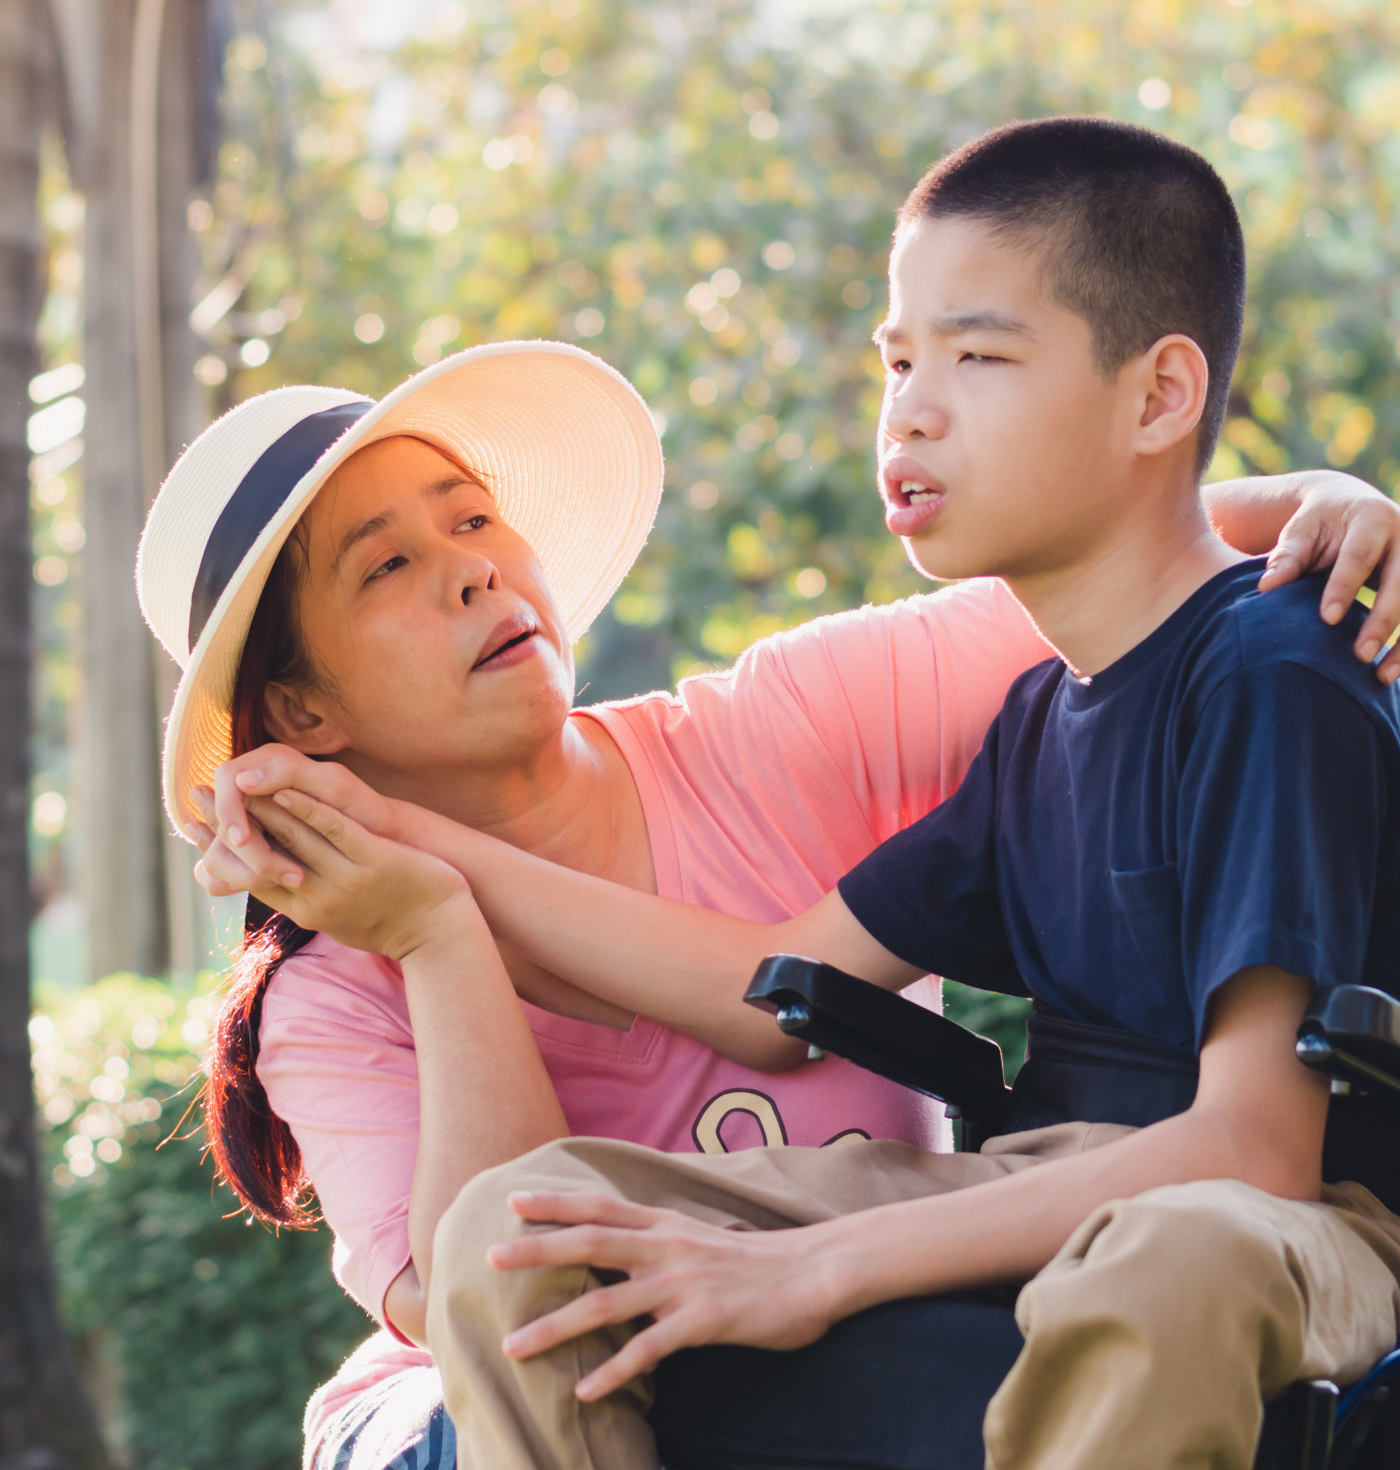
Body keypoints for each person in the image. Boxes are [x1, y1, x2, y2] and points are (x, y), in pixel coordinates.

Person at [200, 118, 1400, 1470]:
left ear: (1157, 394)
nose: (912, 409)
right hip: (1051, 1171)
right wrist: (411, 875)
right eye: (897, 361)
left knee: (1169, 1263)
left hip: (1277, 1215)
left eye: (977, 357)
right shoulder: (1034, 716)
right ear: (306, 710)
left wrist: (822, 1266)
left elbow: (1251, 1153)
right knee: (516, 1226)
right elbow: (775, 996)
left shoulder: (1266, 667)